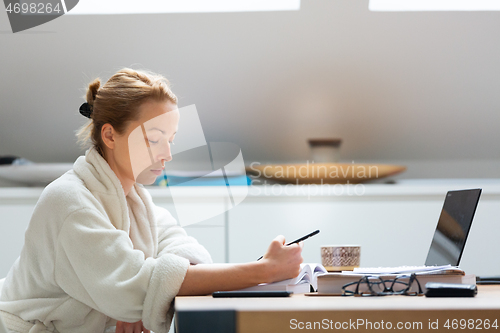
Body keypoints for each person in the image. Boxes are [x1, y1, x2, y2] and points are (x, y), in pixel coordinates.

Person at [0, 68, 303, 333]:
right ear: (110, 136)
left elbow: (188, 251)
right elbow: (137, 290)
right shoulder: (71, 202)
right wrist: (264, 271)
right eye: (153, 138)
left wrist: (142, 297)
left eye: (170, 140)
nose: (167, 154)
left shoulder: (132, 199)